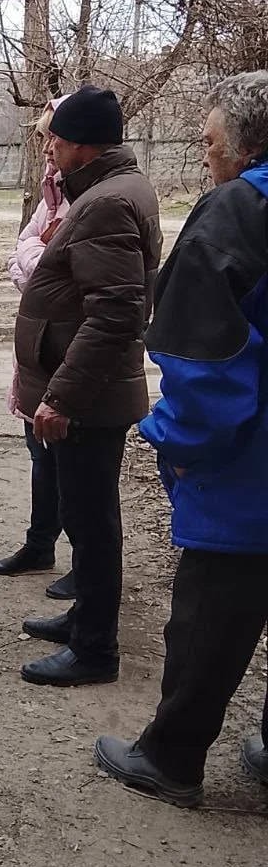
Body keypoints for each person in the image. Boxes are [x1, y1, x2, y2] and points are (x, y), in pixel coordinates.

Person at [95, 71, 268, 807]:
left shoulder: (237, 212)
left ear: (244, 140)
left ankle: (171, 758)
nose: (205, 154)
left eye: (208, 139)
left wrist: (170, 439)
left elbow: (206, 366)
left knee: (210, 618)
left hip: (247, 481)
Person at [14, 83, 162, 687]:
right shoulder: (115, 189)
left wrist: (60, 396)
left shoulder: (104, 203)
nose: (48, 146)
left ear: (79, 144)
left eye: (54, 137)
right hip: (93, 390)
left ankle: (95, 649)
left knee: (91, 515)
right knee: (88, 510)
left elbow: (116, 314)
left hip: (88, 398)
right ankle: (85, 618)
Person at [0, 98, 75, 601]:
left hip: (68, 350)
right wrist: (38, 250)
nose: (46, 147)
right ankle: (40, 544)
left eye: (52, 136)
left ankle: (86, 564)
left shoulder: (87, 197)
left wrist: (38, 258)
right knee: (39, 455)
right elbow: (23, 261)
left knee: (76, 465)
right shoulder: (50, 196)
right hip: (38, 351)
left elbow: (49, 274)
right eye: (43, 137)